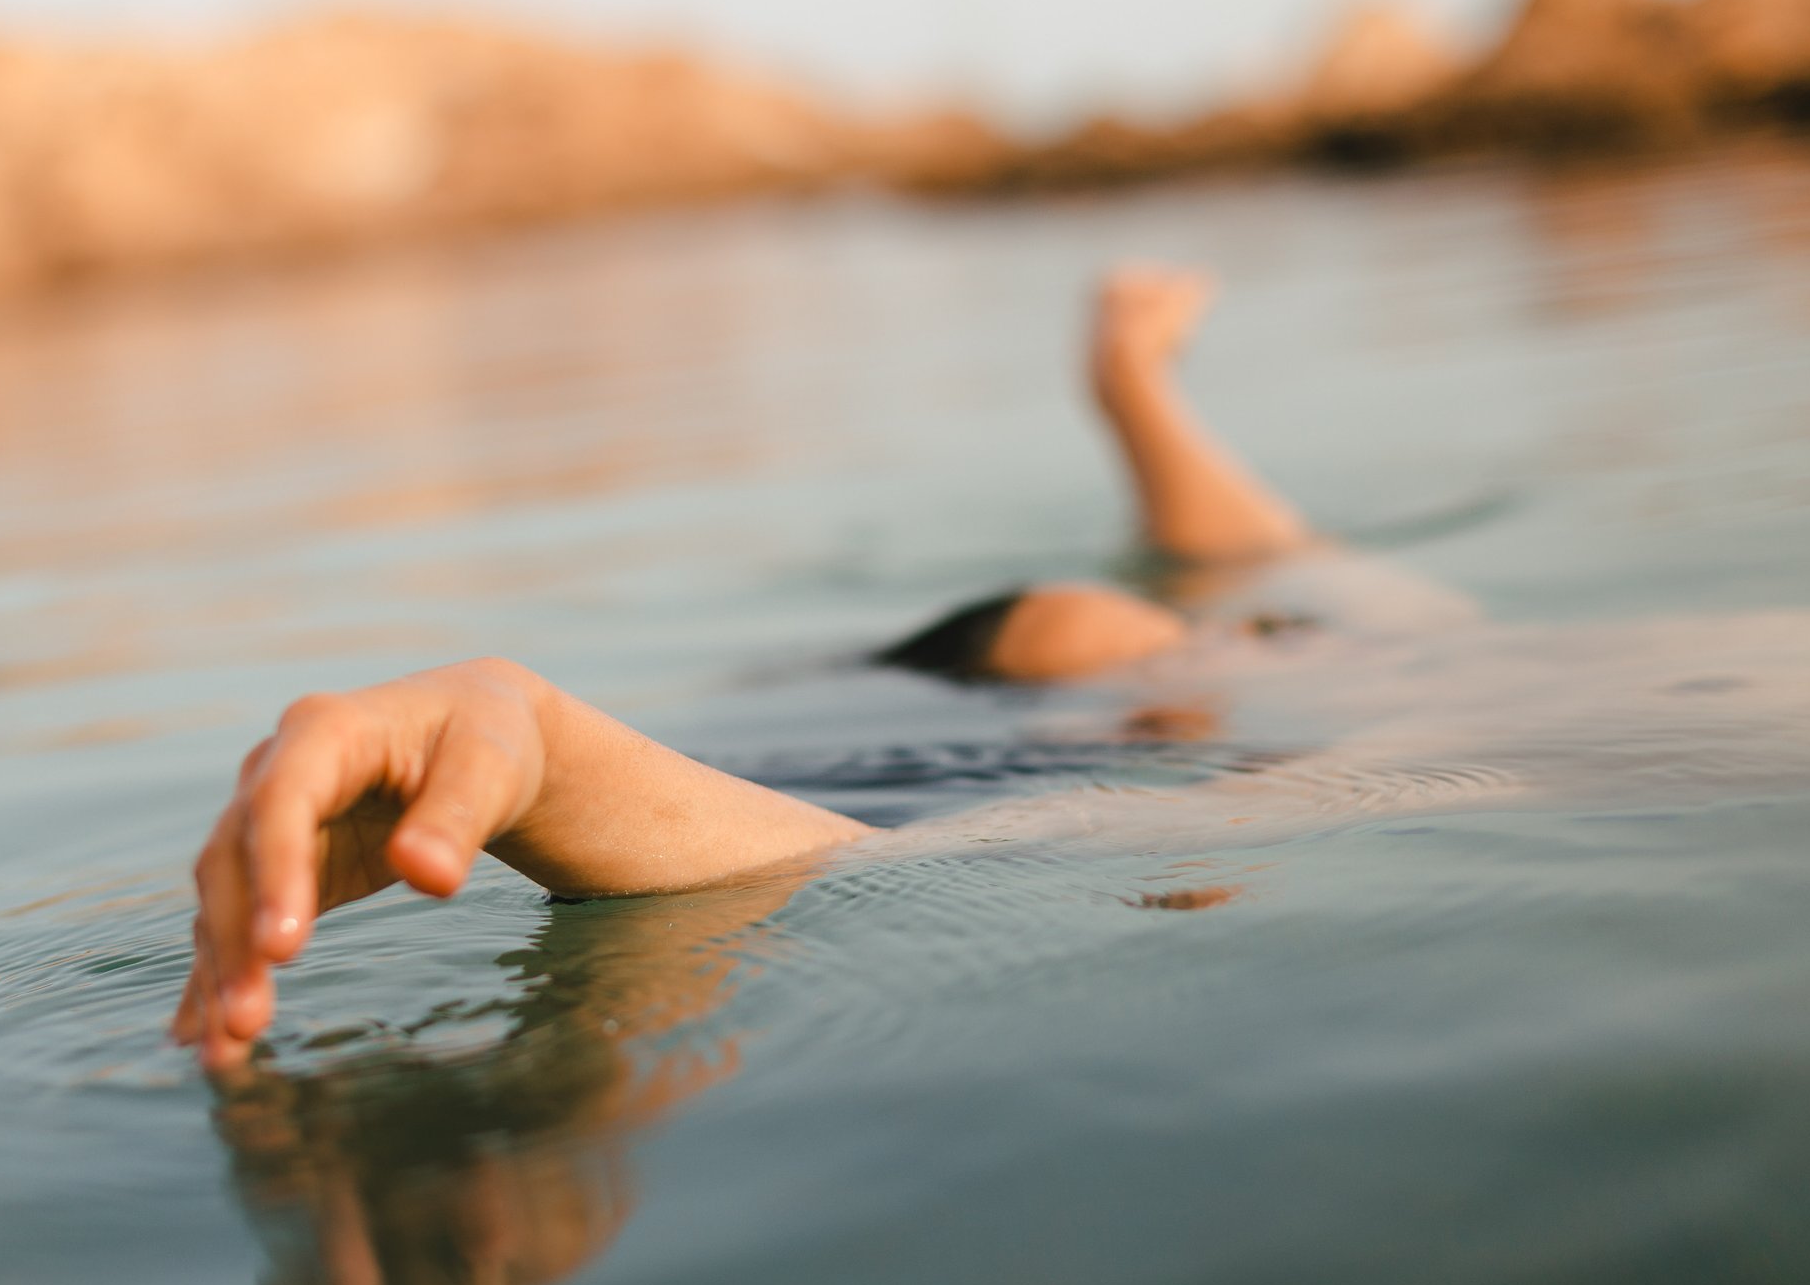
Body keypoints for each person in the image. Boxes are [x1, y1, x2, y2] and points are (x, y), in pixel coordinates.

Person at [172, 266, 1319, 1069]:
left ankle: (1128, 379)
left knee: (1246, 607)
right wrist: (544, 742)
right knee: (1254, 610)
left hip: (818, 738)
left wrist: (546, 745)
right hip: (858, 741)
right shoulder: (1234, 663)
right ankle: (1130, 379)